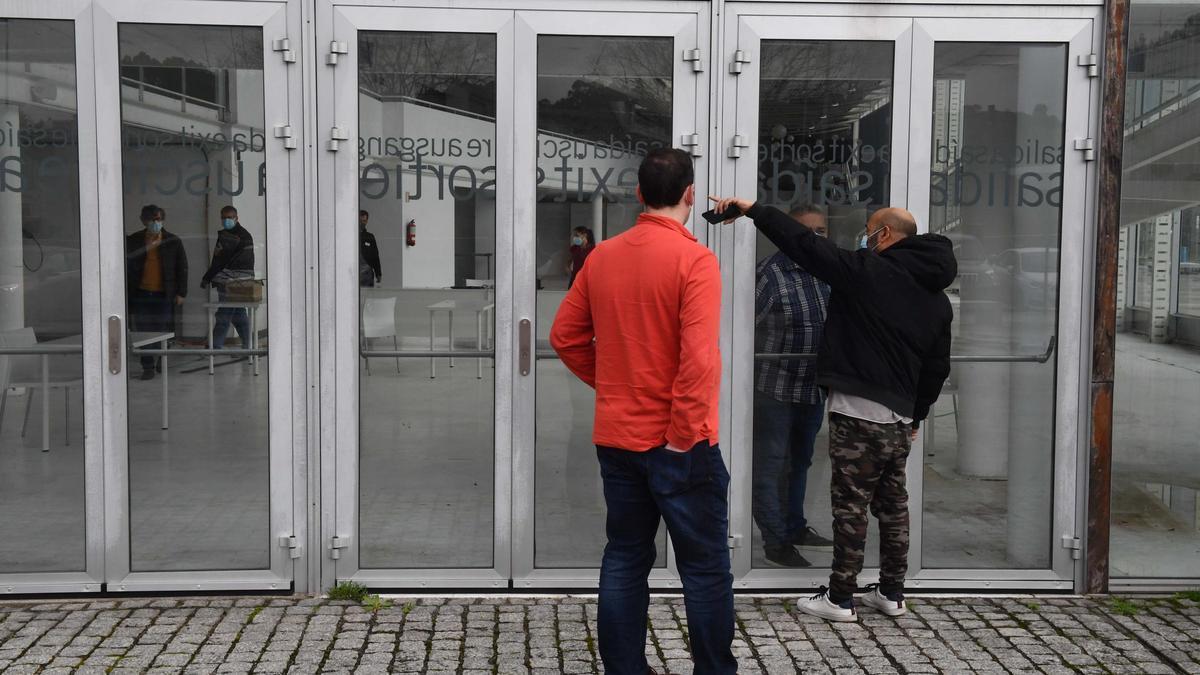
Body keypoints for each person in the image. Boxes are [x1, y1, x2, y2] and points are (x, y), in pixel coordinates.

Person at [709, 195, 954, 622]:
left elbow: (805, 245)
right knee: (894, 505)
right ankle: (893, 593)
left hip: (860, 410)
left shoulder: (869, 272)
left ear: (884, 235)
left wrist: (754, 210)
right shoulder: (935, 297)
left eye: (870, 230)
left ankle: (840, 598)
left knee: (850, 506)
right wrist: (918, 414)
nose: (864, 237)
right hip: (898, 416)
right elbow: (937, 366)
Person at [551, 148, 736, 675]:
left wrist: (613, 383)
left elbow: (564, 337)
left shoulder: (603, 255)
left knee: (627, 557)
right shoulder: (694, 260)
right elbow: (698, 359)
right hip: (681, 442)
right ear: (690, 194)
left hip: (618, 436)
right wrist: (681, 437)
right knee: (703, 569)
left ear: (637, 195)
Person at [753, 204, 834, 568]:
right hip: (774, 387)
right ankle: (776, 540)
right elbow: (742, 327)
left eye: (822, 231)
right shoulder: (769, 276)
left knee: (800, 461)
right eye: (807, 231)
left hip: (813, 388)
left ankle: (794, 526)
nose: (815, 238)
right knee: (771, 464)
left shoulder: (828, 270)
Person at [125, 204, 187, 380]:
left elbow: (182, 267)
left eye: (158, 219)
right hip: (141, 293)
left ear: (163, 220)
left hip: (164, 294)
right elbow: (127, 264)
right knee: (143, 331)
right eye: (151, 220)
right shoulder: (135, 240)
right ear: (143, 221)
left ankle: (161, 359)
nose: (155, 223)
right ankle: (147, 366)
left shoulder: (173, 241)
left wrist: (182, 292)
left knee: (163, 329)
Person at [200, 205, 255, 350]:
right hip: (239, 281)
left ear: (236, 218)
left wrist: (208, 277)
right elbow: (218, 258)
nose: (226, 220)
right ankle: (248, 344)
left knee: (225, 312)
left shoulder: (235, 237)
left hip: (231, 281)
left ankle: (215, 344)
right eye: (223, 217)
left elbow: (221, 260)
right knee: (238, 313)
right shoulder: (235, 234)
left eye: (229, 217)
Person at [360, 209, 382, 287]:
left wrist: (378, 273)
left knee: (366, 296)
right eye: (360, 220)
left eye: (364, 221)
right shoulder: (350, 236)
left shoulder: (370, 237)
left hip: (367, 274)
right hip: (354, 272)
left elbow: (375, 256)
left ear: (367, 221)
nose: (362, 223)